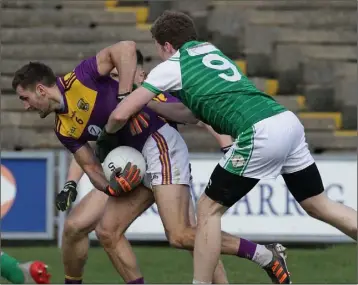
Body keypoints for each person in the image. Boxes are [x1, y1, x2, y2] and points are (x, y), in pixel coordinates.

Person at [96, 10, 358, 284]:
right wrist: (148, 103)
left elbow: (119, 115)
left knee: (208, 210)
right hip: (285, 121)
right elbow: (191, 114)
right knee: (319, 204)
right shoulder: (209, 50)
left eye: (159, 50)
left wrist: (107, 138)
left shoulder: (173, 65)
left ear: (166, 46)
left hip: (259, 132)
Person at [12, 45, 228, 284]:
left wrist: (225, 143)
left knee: (187, 237)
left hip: (164, 165)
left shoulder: (154, 96)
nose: (112, 81)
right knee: (77, 226)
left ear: (141, 74)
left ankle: (243, 267)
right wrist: (72, 184)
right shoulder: (91, 100)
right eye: (112, 75)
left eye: (118, 75)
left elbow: (196, 115)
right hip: (127, 169)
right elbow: (88, 154)